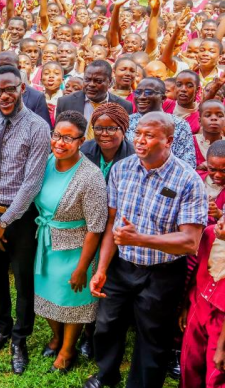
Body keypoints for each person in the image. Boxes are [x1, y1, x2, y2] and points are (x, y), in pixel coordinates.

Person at [84, 112, 207, 388]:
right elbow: (113, 223)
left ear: (169, 141)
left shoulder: (188, 181)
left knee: (152, 335)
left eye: (149, 135)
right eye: (137, 133)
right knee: (106, 325)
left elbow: (190, 241)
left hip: (162, 273)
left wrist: (141, 239)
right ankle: (107, 375)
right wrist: (102, 269)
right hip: (121, 265)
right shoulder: (122, 169)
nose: (140, 140)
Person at [0, 65, 50, 374]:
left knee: (22, 280)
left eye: (10, 89)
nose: (4, 96)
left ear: (22, 89)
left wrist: (2, 223)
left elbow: (32, 183)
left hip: (21, 217)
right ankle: (2, 329)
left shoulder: (37, 127)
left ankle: (19, 338)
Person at [33, 111, 107, 373]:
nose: (60, 143)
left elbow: (96, 228)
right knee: (46, 297)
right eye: (56, 135)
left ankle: (67, 351)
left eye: (68, 138)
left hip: (75, 249)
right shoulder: (46, 162)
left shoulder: (91, 176)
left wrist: (82, 268)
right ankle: (56, 337)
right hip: (46, 244)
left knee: (71, 302)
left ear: (81, 140)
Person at [180, 213, 225, 388]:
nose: (220, 222)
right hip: (199, 304)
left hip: (222, 319)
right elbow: (196, 268)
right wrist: (185, 306)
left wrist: (222, 347)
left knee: (217, 372)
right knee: (189, 360)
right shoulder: (209, 233)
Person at [125, 77, 196, 169]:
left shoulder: (179, 125)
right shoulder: (127, 122)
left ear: (163, 98)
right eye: (138, 92)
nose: (141, 97)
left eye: (148, 93)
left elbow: (188, 164)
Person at [55, 60, 132, 139]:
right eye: (87, 80)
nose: (91, 84)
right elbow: (58, 135)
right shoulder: (65, 102)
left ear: (110, 82)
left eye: (98, 81)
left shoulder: (124, 106)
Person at [82, 103, 135, 180]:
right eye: (98, 128)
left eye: (111, 129)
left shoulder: (134, 157)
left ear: (123, 130)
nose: (104, 134)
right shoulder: (84, 151)